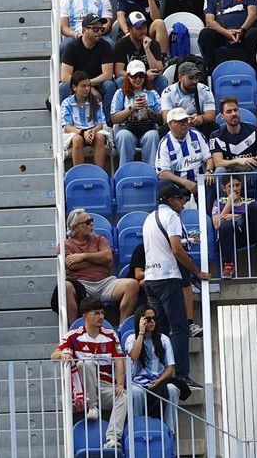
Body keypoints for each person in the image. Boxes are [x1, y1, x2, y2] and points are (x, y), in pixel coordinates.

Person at [141, 182, 206, 388]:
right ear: (171, 200)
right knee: (179, 329)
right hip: (167, 277)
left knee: (160, 329)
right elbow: (176, 249)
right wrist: (197, 272)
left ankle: (161, 372)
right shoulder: (172, 217)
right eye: (180, 199)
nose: (183, 203)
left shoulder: (149, 218)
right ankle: (182, 376)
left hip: (151, 278)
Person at [53, 298, 128, 452]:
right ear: (85, 316)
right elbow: (54, 354)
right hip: (85, 388)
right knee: (85, 363)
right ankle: (92, 406)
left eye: (102, 313)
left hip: (106, 386)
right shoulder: (73, 335)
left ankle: (112, 439)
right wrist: (63, 355)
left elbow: (120, 360)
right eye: (96, 313)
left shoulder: (110, 335)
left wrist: (120, 384)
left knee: (124, 396)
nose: (101, 317)